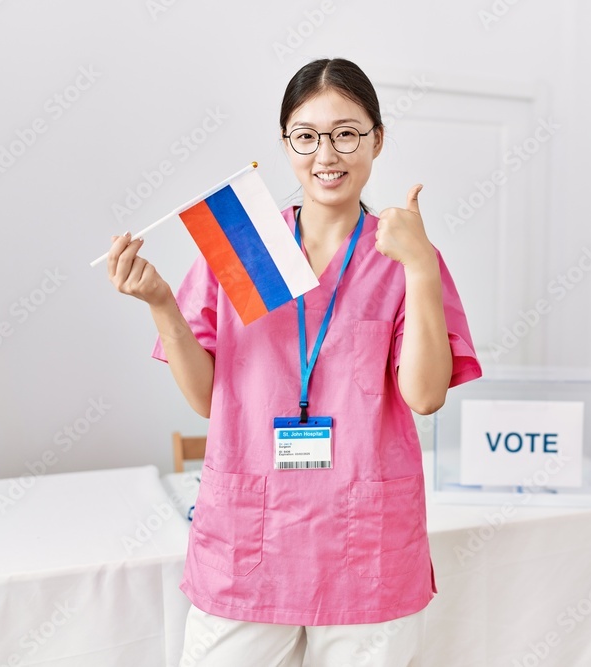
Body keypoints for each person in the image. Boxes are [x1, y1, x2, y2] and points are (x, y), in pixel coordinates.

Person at [106, 57, 482, 666]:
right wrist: (160, 305)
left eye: (346, 133)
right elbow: (209, 399)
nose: (326, 154)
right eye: (306, 136)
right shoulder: (246, 242)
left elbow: (424, 394)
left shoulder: (405, 254)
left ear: (377, 139)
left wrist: (418, 268)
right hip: (248, 540)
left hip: (367, 548)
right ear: (285, 145)